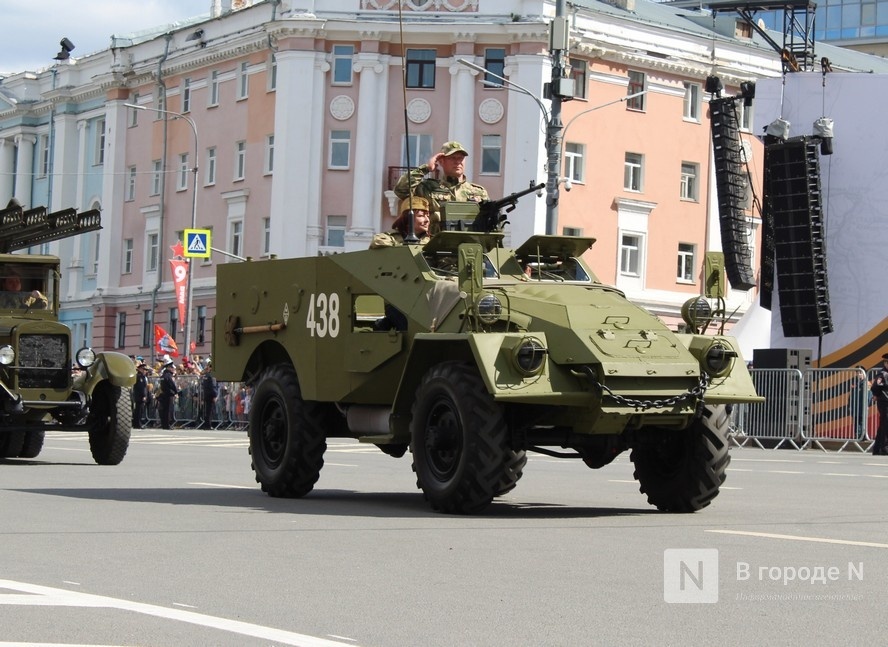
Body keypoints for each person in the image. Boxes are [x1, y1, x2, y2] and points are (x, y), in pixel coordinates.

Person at [393, 141, 488, 232]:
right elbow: (401, 190)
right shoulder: (427, 188)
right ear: (441, 161)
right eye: (453, 158)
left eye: (461, 158)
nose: (457, 162)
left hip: (469, 244)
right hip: (434, 243)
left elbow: (489, 219)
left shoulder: (478, 192)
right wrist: (426, 168)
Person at [870, 354, 888, 455]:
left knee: (883, 425)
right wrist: (877, 395)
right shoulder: (883, 374)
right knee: (886, 423)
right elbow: (875, 387)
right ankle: (884, 447)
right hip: (884, 402)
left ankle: (877, 448)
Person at [157, 360, 180, 429]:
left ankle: (164, 424)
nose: (173, 369)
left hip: (163, 394)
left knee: (164, 410)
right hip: (169, 395)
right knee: (168, 410)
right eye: (172, 368)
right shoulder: (168, 376)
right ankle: (167, 425)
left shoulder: (163, 375)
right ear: (168, 368)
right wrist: (176, 392)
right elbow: (172, 385)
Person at [199, 363, 219, 430]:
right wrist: (215, 395)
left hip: (206, 394)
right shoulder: (211, 376)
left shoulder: (206, 375)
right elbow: (213, 386)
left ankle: (206, 424)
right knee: (210, 411)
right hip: (211, 395)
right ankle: (208, 425)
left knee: (207, 411)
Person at [132, 363, 149, 430]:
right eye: (144, 369)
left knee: (139, 410)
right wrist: (144, 395)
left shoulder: (141, 376)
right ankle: (137, 424)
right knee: (139, 410)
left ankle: (136, 423)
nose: (145, 371)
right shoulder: (139, 377)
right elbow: (141, 388)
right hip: (139, 396)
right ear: (140, 369)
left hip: (139, 396)